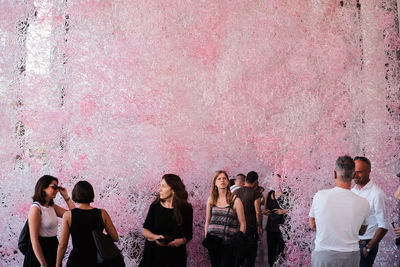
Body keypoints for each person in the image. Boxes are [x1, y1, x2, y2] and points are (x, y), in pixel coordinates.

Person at [309, 155, 370, 267]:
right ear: (353, 175)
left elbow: (313, 225)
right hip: (351, 256)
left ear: (335, 174)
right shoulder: (364, 203)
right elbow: (362, 231)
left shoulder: (319, 196)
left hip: (323, 255)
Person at [56, 181, 122, 267]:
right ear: (91, 194)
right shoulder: (102, 213)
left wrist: (57, 264)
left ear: (75, 194)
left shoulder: (68, 215)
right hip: (97, 260)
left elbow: (62, 245)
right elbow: (115, 237)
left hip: (77, 261)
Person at [140, 174, 193, 267]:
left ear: (173, 190)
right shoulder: (155, 206)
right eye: (160, 186)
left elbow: (189, 234)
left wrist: (182, 240)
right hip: (153, 256)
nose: (159, 189)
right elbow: (144, 231)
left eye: (163, 186)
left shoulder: (186, 209)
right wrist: (155, 237)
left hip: (175, 258)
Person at [24, 175, 75, 267]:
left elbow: (75, 216)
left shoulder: (52, 207)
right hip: (40, 251)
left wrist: (66, 198)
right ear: (43, 187)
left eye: (58, 188)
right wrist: (43, 263)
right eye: (54, 187)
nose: (57, 190)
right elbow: (34, 240)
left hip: (53, 246)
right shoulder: (36, 208)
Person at [351, 156, 389, 267]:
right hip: (350, 246)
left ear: (369, 171)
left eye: (359, 172)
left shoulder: (377, 194)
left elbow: (383, 225)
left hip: (365, 246)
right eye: (354, 171)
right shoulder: (352, 192)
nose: (355, 175)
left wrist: (368, 248)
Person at [204, 170, 246, 267]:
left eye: (224, 178)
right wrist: (207, 237)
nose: (222, 180)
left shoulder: (235, 200)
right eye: (219, 179)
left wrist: (238, 240)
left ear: (228, 181)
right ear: (215, 182)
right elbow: (207, 221)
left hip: (229, 244)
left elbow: (243, 224)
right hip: (213, 242)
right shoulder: (211, 199)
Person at [234, 171, 263, 267]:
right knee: (250, 257)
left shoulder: (236, 192)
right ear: (255, 182)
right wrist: (260, 227)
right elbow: (258, 212)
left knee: (238, 255)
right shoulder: (256, 193)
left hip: (237, 228)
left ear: (245, 180)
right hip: (250, 228)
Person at [264, 176, 289, 267]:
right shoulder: (269, 193)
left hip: (283, 227)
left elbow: (294, 210)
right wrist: (266, 212)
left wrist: (283, 211)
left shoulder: (288, 193)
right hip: (271, 226)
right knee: (271, 251)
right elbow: (265, 209)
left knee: (281, 252)